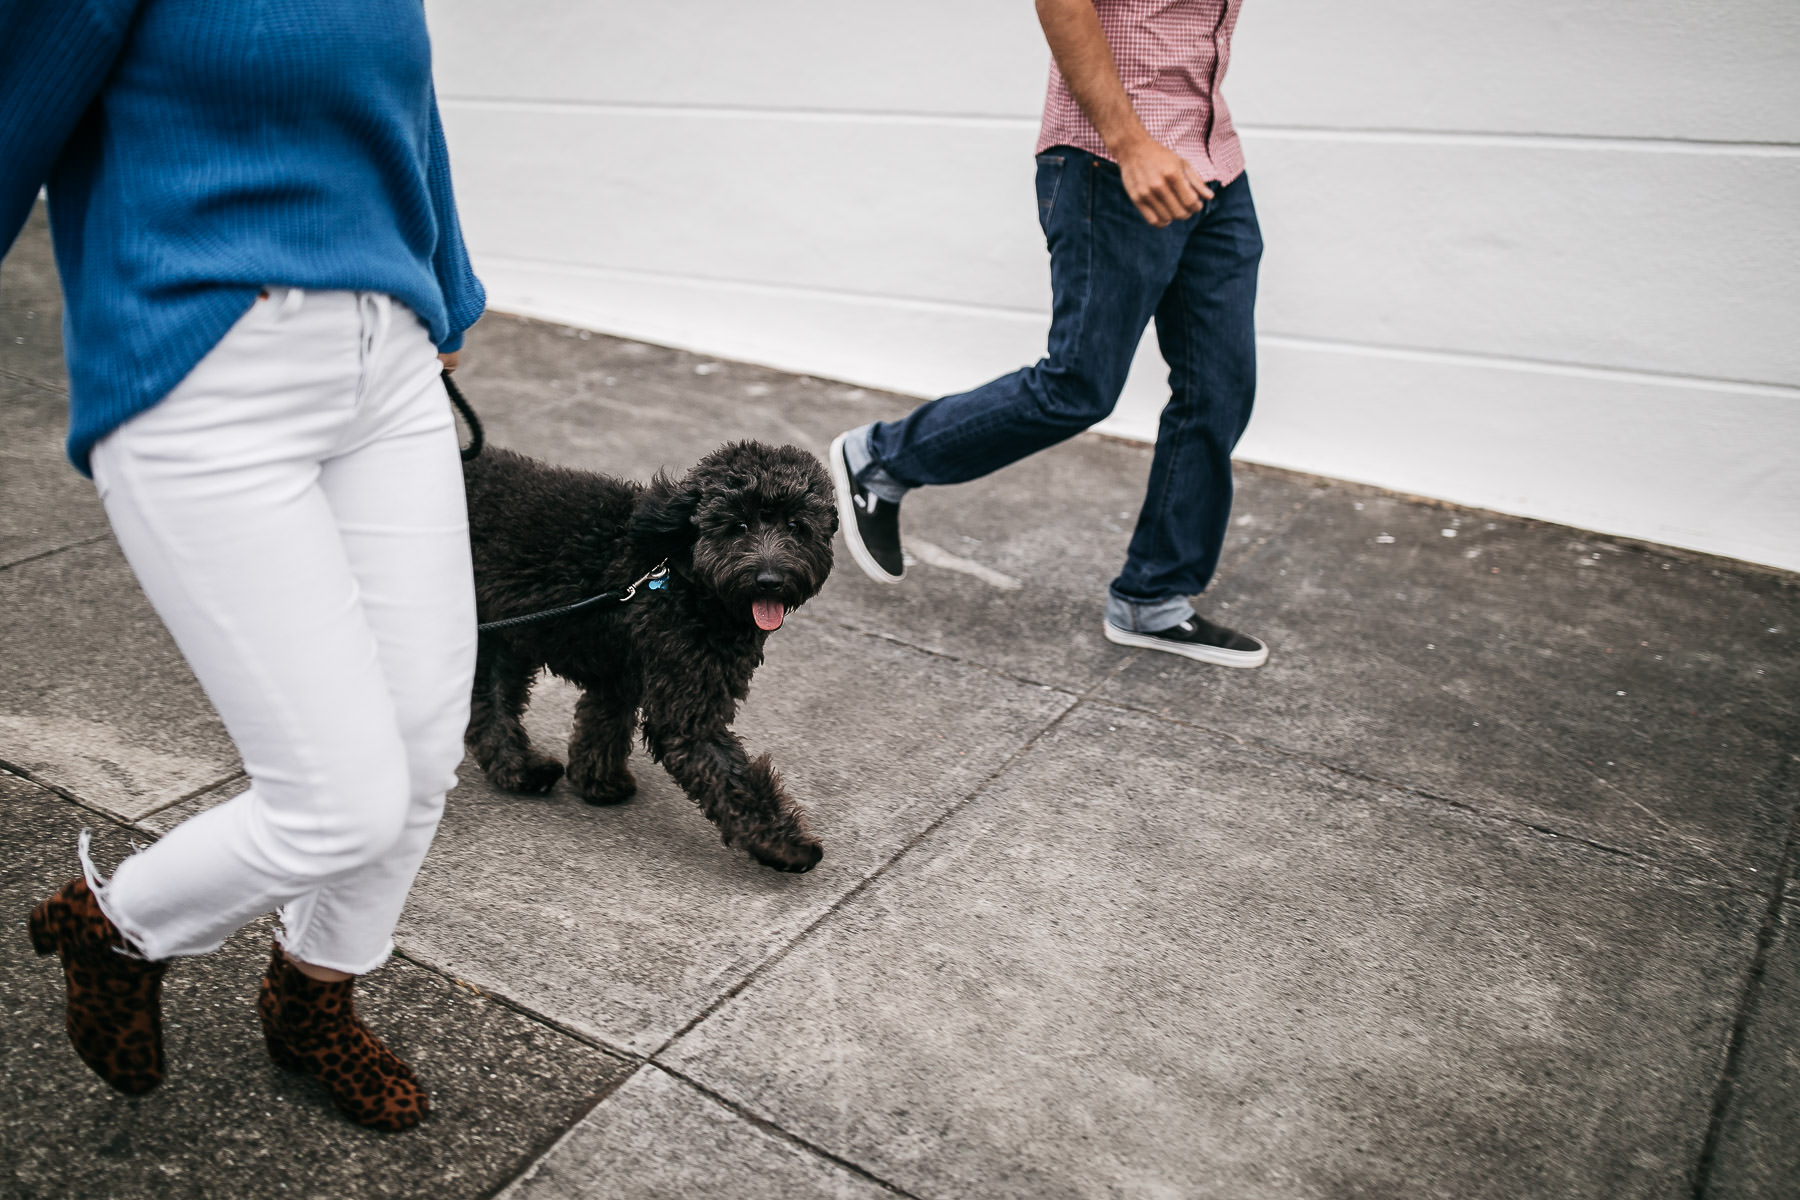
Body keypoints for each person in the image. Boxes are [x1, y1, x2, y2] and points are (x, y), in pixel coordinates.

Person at [3, 0, 485, 1130]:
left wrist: (445, 288)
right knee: (339, 804)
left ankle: (313, 1001)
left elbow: (410, 117)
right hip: (203, 374)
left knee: (420, 757)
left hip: (391, 367)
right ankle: (117, 924)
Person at [831, 0, 1268, 669]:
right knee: (1078, 385)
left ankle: (1152, 597)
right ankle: (882, 457)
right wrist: (1131, 145)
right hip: (1115, 161)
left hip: (1214, 164)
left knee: (1221, 388)